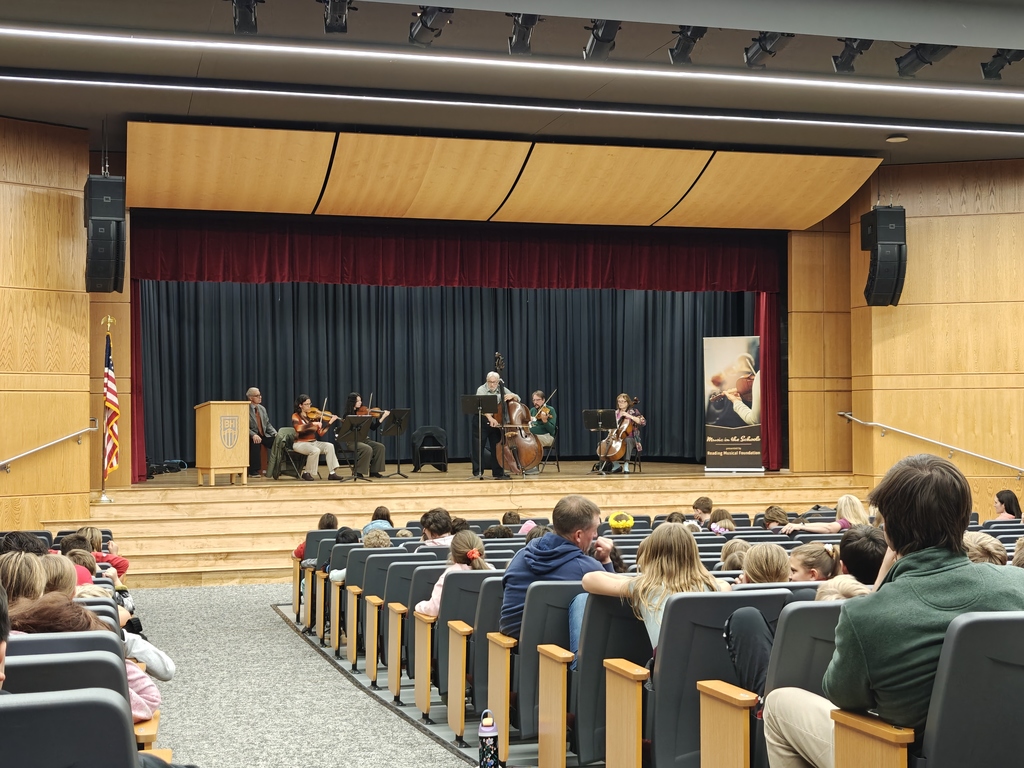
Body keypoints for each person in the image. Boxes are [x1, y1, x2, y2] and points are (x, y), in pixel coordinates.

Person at [763, 454, 1024, 768]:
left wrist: (878, 590)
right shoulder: (1018, 583)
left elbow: (843, 697)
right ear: (964, 520)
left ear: (888, 532)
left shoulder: (867, 614)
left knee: (778, 703)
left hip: (899, 757)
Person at [583, 522, 729, 648]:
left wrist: (637, 579)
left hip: (667, 677)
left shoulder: (645, 587)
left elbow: (589, 579)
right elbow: (725, 584)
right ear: (692, 553)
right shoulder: (716, 587)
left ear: (652, 554)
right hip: (711, 673)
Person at [500, 495, 615, 640]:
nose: (596, 535)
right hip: (560, 655)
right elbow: (613, 606)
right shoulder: (587, 568)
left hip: (510, 653)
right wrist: (606, 561)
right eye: (594, 530)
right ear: (578, 535)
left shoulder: (520, 556)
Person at [415, 530, 495, 616]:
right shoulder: (492, 570)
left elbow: (434, 609)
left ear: (453, 555)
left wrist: (419, 606)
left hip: (452, 629)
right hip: (490, 629)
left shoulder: (450, 574)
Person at [473, 371, 519, 480]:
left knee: (497, 447)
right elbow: (482, 406)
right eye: (490, 382)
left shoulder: (502, 389)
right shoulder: (481, 389)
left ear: (498, 382)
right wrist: (490, 418)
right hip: (482, 419)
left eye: (494, 382)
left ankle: (498, 472)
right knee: (478, 447)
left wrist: (513, 396)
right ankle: (478, 472)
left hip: (497, 421)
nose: (492, 384)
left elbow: (518, 398)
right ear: (486, 381)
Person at [337, 392, 390, 479]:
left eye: (360, 400)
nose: (360, 402)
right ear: (352, 402)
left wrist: (383, 417)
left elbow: (373, 427)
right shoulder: (347, 415)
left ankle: (374, 471)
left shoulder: (365, 413)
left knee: (380, 447)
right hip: (352, 441)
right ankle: (358, 472)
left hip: (365, 439)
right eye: (358, 401)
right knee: (367, 448)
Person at [291, 394, 343, 481]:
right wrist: (312, 424)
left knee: (329, 446)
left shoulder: (313, 417)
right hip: (300, 443)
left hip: (313, 442)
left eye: (309, 404)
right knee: (315, 450)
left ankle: (332, 473)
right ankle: (306, 473)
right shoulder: (296, 416)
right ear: (300, 405)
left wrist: (330, 423)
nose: (309, 406)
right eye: (306, 404)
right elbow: (298, 428)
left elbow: (321, 433)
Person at [780, 494, 869, 536]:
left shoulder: (846, 523)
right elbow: (827, 525)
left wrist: (801, 527)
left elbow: (829, 528)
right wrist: (802, 525)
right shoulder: (866, 524)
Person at [603, 393, 645, 474]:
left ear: (627, 402)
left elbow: (642, 422)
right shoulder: (615, 413)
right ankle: (616, 465)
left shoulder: (634, 411)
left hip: (632, 438)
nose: (620, 403)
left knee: (627, 440)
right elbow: (610, 426)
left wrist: (629, 416)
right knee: (605, 444)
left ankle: (626, 464)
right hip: (617, 437)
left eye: (623, 401)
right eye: (619, 401)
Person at [246, 386, 277, 478]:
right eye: (257, 395)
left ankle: (277, 468)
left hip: (264, 435)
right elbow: (243, 426)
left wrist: (275, 433)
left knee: (278, 441)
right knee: (256, 442)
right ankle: (253, 471)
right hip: (251, 435)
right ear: (250, 398)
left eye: (260, 395)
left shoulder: (262, 409)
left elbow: (267, 424)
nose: (260, 397)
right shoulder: (245, 408)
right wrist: (253, 435)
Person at [524, 390, 557, 474]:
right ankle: (524, 464)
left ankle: (533, 466)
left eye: (538, 400)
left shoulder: (550, 410)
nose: (535, 402)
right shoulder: (532, 410)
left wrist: (545, 421)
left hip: (547, 436)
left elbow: (551, 429)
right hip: (532, 435)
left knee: (533, 440)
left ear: (543, 400)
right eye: (534, 400)